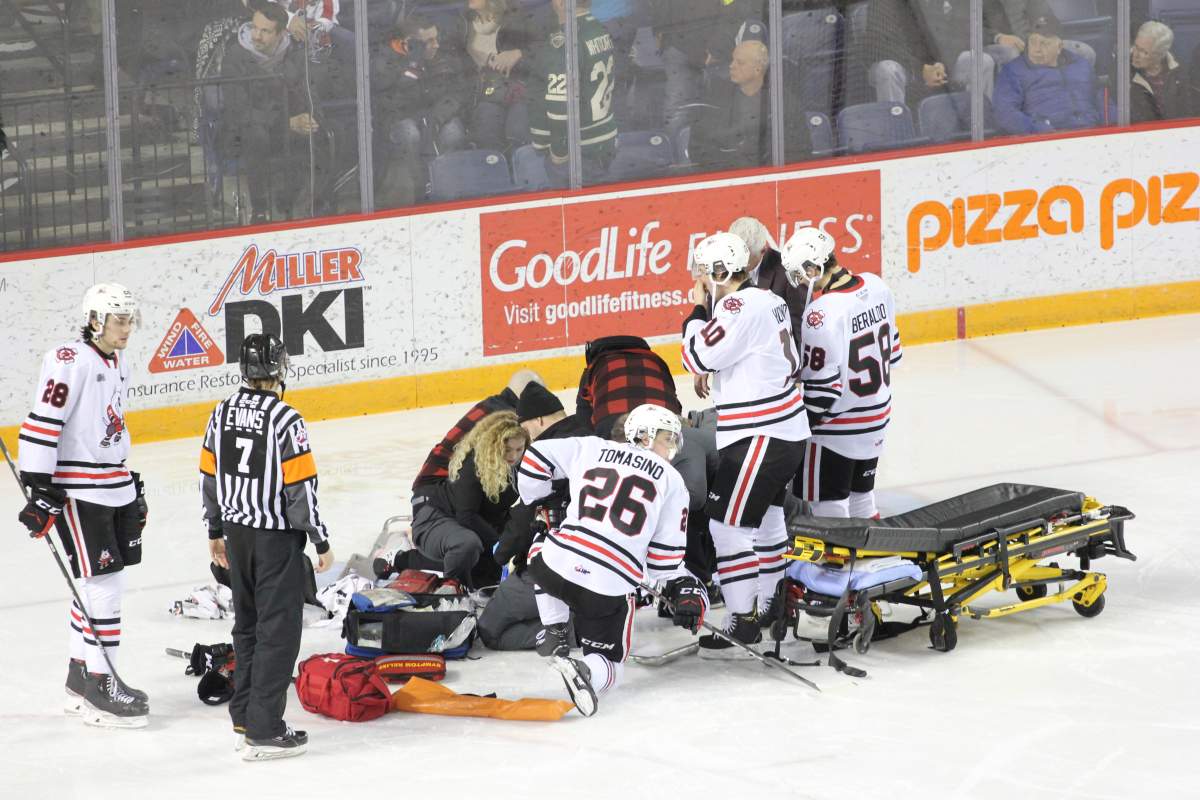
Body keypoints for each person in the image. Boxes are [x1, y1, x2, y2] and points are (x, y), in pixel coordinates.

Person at [517, 404, 706, 716]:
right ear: (643, 436)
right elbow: (663, 562)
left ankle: (555, 629)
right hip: (604, 590)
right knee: (614, 667)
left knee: (542, 539)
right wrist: (677, 589)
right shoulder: (673, 482)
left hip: (554, 568)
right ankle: (586, 669)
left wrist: (536, 498)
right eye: (665, 438)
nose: (671, 447)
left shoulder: (592, 447)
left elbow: (535, 458)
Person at [16, 283, 149, 729]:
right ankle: (101, 684)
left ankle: (79, 676)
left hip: (109, 484)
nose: (126, 327)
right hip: (79, 489)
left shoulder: (118, 359)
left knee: (95, 582)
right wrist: (38, 482)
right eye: (118, 319)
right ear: (95, 320)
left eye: (129, 318)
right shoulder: (67, 360)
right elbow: (43, 419)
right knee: (103, 584)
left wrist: (126, 479)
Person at [201, 333, 334, 761]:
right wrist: (320, 539)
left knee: (248, 624)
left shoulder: (220, 412)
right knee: (278, 632)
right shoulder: (286, 418)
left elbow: (209, 476)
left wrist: (214, 531)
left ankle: (244, 717)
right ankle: (264, 729)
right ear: (278, 370)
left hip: (237, 536)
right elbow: (300, 487)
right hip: (275, 540)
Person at [679, 232, 809, 656]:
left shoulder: (734, 305)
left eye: (705, 271)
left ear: (720, 271)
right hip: (787, 431)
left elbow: (695, 355)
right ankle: (773, 605)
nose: (702, 278)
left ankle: (744, 620)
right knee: (769, 522)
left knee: (726, 526)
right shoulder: (766, 298)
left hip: (759, 435)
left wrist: (698, 310)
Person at [781, 227, 903, 520]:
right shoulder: (877, 286)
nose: (798, 281)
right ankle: (877, 564)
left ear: (814, 267)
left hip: (837, 431)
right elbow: (894, 356)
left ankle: (836, 567)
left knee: (829, 514)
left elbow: (823, 392)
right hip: (878, 419)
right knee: (863, 502)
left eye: (800, 273)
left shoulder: (820, 313)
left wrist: (797, 431)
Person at [478, 383, 592, 651]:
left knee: (490, 629)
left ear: (539, 419)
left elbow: (527, 514)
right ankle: (586, 620)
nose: (527, 438)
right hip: (605, 564)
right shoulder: (594, 438)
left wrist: (501, 555)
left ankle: (575, 631)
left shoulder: (544, 453)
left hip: (558, 563)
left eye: (527, 428)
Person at [214, 0, 325, 221]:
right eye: (255, 27)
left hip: (281, 126)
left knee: (328, 132)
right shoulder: (235, 57)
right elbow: (239, 111)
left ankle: (313, 201)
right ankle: (260, 208)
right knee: (256, 135)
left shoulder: (292, 54)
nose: (256, 35)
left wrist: (311, 118)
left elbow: (307, 93)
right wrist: (288, 122)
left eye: (265, 31)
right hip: (245, 130)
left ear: (282, 34)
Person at [409, 410, 529, 590]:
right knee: (467, 544)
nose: (514, 456)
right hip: (437, 518)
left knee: (489, 572)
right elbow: (466, 516)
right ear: (495, 446)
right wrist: (500, 542)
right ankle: (450, 586)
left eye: (519, 449)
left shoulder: (519, 465)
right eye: (508, 450)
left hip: (473, 525)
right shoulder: (473, 466)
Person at [372, 13, 471, 208]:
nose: (436, 45)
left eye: (437, 38)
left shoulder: (443, 54)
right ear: (410, 43)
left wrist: (437, 116)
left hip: (435, 115)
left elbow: (458, 93)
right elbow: (385, 102)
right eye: (429, 41)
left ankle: (446, 191)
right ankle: (422, 190)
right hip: (400, 120)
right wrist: (413, 65)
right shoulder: (385, 59)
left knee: (453, 131)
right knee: (410, 133)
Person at [527, 0, 618, 186]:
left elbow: (561, 107)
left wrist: (559, 153)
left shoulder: (567, 40)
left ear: (562, 3)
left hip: (578, 151)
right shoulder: (599, 30)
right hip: (603, 140)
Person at [863, 0, 998, 103]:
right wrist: (920, 69)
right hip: (905, 68)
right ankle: (896, 131)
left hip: (936, 67)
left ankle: (981, 129)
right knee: (887, 69)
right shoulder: (881, 3)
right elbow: (877, 48)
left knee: (981, 60)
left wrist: (941, 64)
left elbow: (957, 35)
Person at [993, 15, 1102, 135]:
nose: (1037, 49)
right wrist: (1041, 131)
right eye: (1033, 42)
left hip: (1090, 134)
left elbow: (1102, 100)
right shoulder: (1013, 71)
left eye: (1044, 43)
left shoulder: (1080, 64)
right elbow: (1004, 113)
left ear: (1059, 47)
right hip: (1046, 139)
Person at [575, 334, 681, 440]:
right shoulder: (657, 361)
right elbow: (675, 402)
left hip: (612, 424)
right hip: (663, 420)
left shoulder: (593, 368)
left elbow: (583, 418)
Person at [689, 40, 770, 171]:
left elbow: (795, 149)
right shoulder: (716, 99)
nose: (732, 66)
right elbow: (698, 146)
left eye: (740, 62)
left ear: (758, 68)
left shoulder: (780, 101)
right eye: (733, 60)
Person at [729, 215, 808, 350]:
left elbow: (800, 329)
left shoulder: (790, 272)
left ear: (763, 251)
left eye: (745, 258)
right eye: (735, 255)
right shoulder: (724, 266)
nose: (738, 263)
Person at [1129, 20, 1190, 124]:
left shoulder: (1179, 75)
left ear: (1158, 56)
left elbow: (1186, 114)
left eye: (1144, 52)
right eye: (1136, 47)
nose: (1136, 55)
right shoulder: (1122, 73)